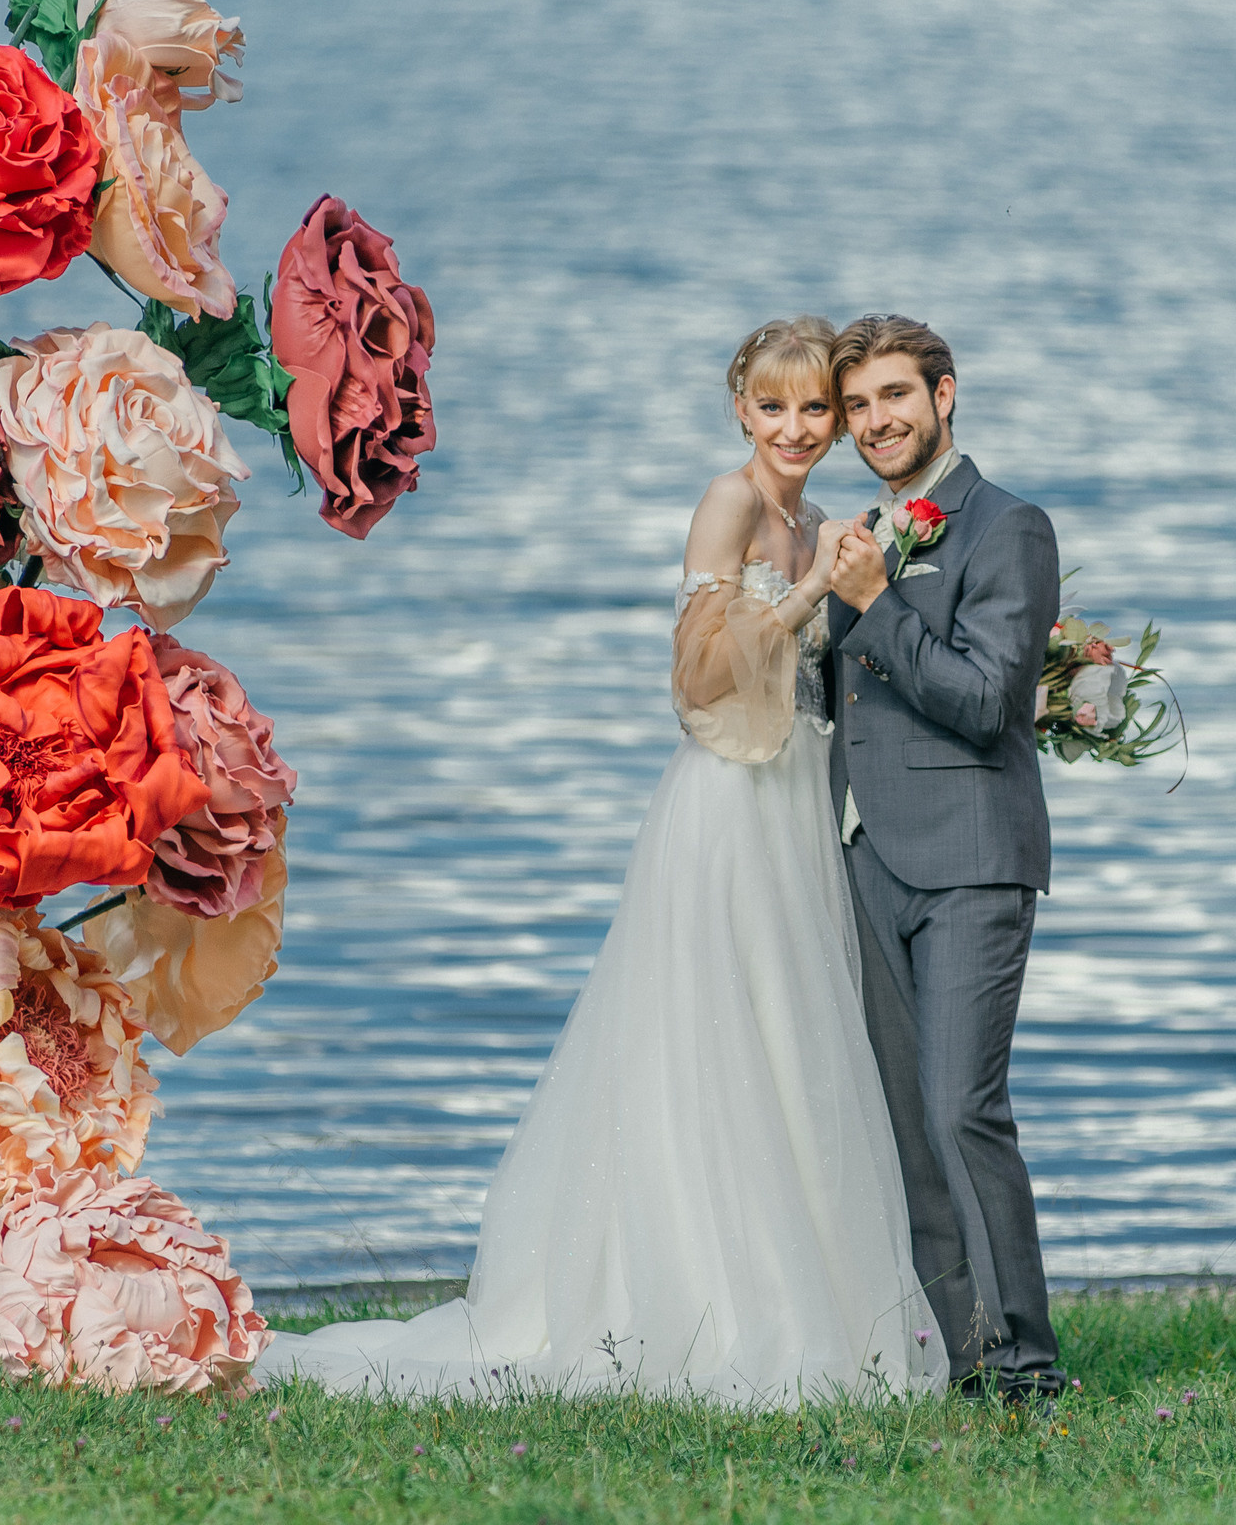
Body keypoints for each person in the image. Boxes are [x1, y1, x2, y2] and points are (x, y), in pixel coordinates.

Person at [258, 317, 947, 1404]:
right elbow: (698, 675)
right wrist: (817, 589)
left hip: (796, 800)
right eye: (775, 407)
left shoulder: (813, 514)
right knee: (711, 1028)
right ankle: (687, 1291)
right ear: (739, 407)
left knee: (789, 1036)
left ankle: (802, 1283)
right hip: (726, 799)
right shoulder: (729, 503)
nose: (799, 427)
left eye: (817, 407)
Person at [825, 315, 1064, 1402]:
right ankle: (962, 1359)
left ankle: (1028, 1363)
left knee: (963, 1105)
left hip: (971, 855)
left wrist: (877, 599)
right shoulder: (857, 535)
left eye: (894, 396)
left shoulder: (1007, 527)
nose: (877, 420)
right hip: (863, 852)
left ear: (944, 394)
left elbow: (981, 700)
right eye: (859, 404)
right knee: (906, 1124)